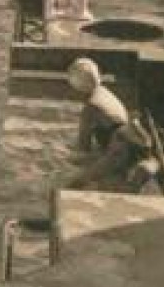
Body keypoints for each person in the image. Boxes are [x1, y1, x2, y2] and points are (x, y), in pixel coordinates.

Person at [63, 58, 158, 192]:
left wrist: (67, 158)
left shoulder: (91, 107)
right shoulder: (104, 92)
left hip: (120, 148)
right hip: (136, 142)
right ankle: (137, 171)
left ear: (76, 85)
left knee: (75, 184)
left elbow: (83, 148)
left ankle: (129, 180)